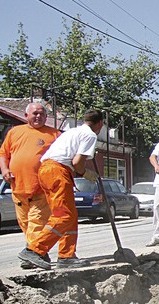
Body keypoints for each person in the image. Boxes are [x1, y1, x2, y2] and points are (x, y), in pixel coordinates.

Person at [18, 109, 104, 270]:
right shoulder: (90, 135)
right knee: (63, 215)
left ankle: (67, 255)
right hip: (57, 171)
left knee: (69, 215)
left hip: (47, 170)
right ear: (100, 123)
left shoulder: (72, 132)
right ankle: (34, 249)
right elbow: (77, 162)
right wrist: (85, 173)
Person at [0, 102, 63, 269]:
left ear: (46, 117)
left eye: (42, 114)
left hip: (41, 188)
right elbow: (2, 155)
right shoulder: (14, 132)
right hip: (18, 187)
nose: (38, 116)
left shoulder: (54, 135)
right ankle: (38, 253)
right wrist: (5, 170)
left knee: (36, 222)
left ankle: (32, 254)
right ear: (26, 116)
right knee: (26, 223)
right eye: (35, 113)